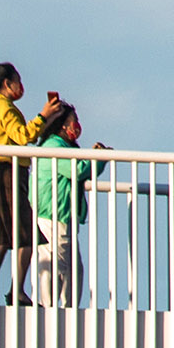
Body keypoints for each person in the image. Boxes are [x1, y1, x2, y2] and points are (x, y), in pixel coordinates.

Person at [0, 62, 61, 306]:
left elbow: (23, 136)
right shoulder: (5, 108)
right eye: (18, 81)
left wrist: (46, 119)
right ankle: (17, 290)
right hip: (9, 174)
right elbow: (23, 136)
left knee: (1, 238)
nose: (21, 87)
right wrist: (43, 115)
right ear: (8, 84)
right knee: (26, 235)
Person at [28, 101, 110, 307]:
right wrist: (98, 159)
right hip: (53, 215)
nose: (77, 125)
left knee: (71, 267)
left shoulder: (62, 146)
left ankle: (62, 308)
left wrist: (95, 159)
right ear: (62, 125)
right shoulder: (55, 147)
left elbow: (81, 168)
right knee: (59, 266)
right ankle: (52, 308)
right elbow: (78, 170)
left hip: (58, 215)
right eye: (74, 121)